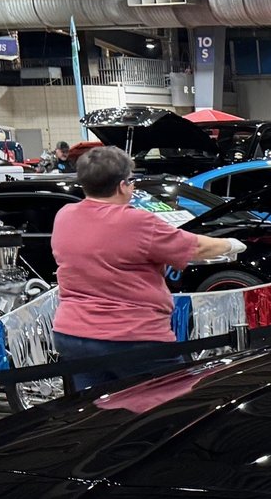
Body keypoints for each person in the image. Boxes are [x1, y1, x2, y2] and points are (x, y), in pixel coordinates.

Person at [50, 146, 245, 390]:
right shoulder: (135, 221)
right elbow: (195, 247)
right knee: (167, 406)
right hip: (132, 337)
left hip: (72, 335)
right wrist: (231, 244)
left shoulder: (65, 215)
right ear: (123, 185)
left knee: (97, 413)